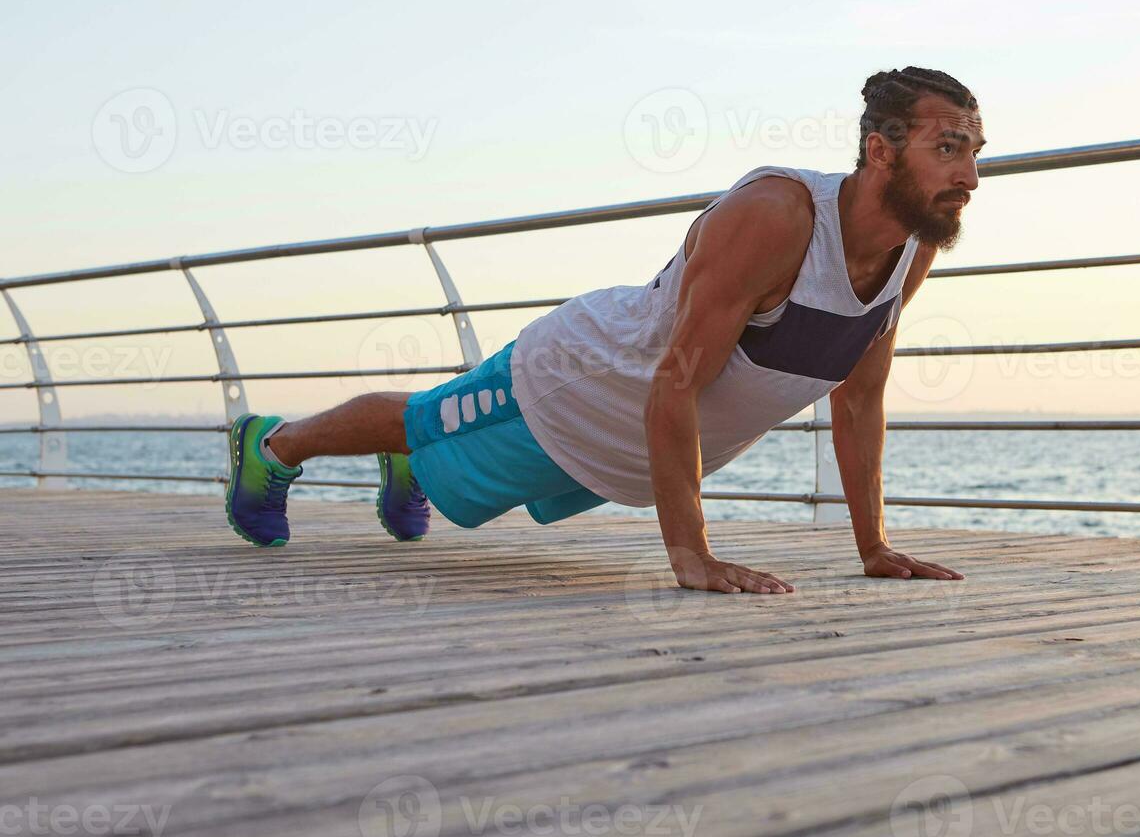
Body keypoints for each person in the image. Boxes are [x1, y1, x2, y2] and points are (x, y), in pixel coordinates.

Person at [224, 66, 983, 594]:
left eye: (974, 152)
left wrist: (873, 547)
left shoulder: (909, 250)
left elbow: (857, 399)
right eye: (947, 149)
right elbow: (677, 378)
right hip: (577, 380)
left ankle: (412, 463)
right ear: (880, 151)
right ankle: (272, 445)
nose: (971, 177)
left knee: (471, 485)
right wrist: (691, 556)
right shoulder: (779, 215)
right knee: (428, 420)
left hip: (636, 449)